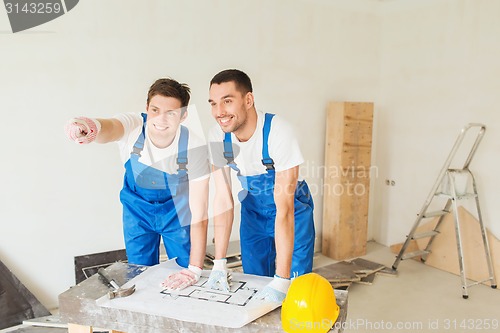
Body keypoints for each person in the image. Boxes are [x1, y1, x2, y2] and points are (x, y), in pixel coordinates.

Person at [64, 78, 210, 290]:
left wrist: (195, 269)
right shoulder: (133, 126)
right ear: (146, 108)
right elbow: (110, 127)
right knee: (139, 274)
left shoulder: (194, 146)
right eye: (155, 109)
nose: (160, 119)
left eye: (171, 113)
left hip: (177, 213)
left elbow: (200, 212)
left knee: (185, 270)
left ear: (183, 115)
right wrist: (90, 126)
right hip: (137, 212)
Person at [205, 69, 315, 302]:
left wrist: (282, 279)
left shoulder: (280, 132)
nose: (219, 112)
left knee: (295, 289)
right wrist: (219, 262)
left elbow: (284, 210)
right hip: (253, 214)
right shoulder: (217, 137)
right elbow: (223, 200)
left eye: (227, 101)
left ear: (248, 100)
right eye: (213, 103)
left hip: (291, 212)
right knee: (254, 284)